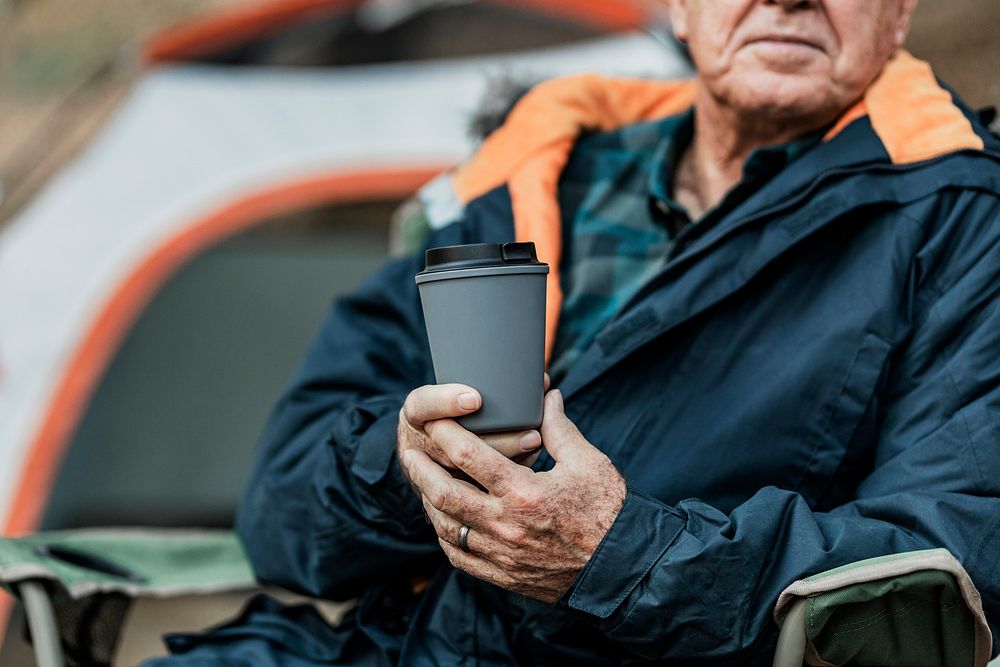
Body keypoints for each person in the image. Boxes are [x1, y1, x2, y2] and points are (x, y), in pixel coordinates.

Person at [150, 0, 1000, 664]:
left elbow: (947, 568)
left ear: (900, 15)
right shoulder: (524, 176)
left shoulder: (964, 223)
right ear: (678, 8)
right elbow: (279, 508)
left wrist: (625, 558)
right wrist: (408, 470)